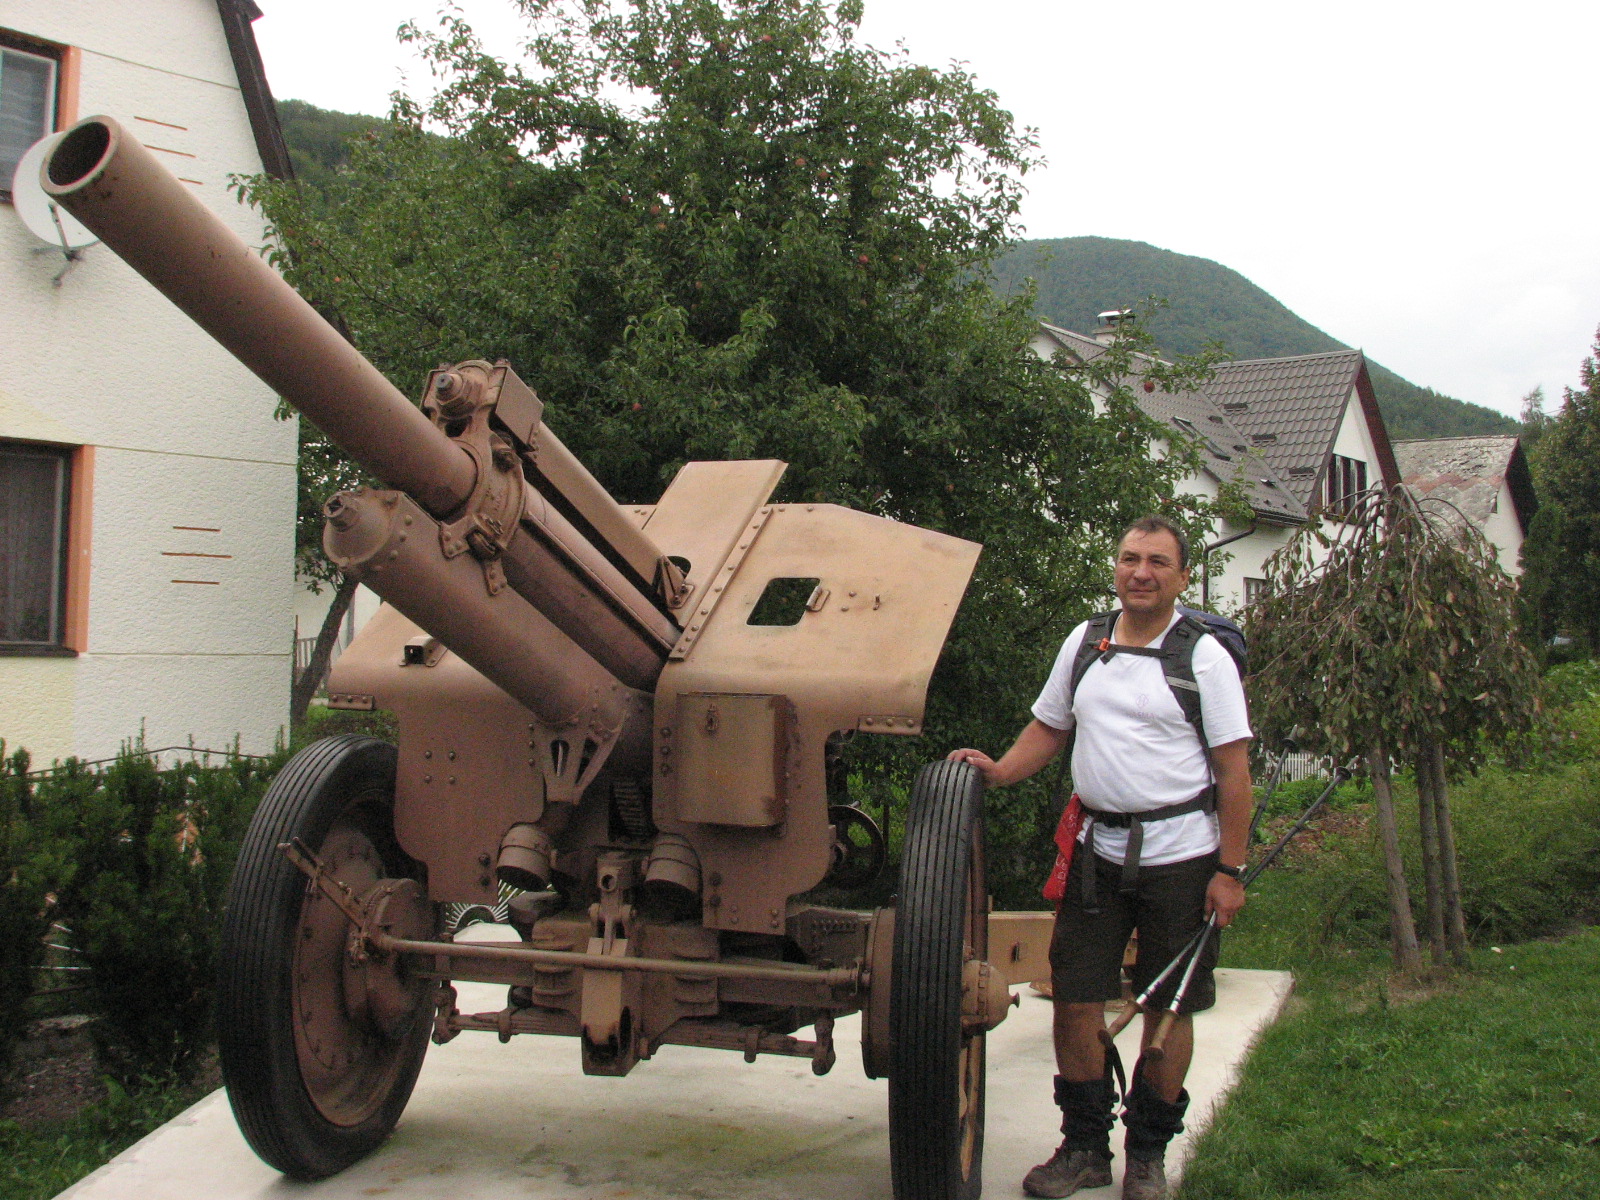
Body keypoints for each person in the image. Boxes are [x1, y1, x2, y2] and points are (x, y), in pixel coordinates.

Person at [948, 515, 1252, 1200]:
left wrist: (1229, 873)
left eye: (1157, 562)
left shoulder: (1204, 658)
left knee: (1169, 1009)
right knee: (1075, 998)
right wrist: (999, 770)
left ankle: (1146, 1156)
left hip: (1184, 858)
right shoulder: (1087, 642)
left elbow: (1234, 773)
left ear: (1182, 576)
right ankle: (1085, 1148)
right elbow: (1049, 726)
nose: (1140, 572)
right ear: (1115, 566)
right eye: (1129, 558)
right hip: (1096, 854)